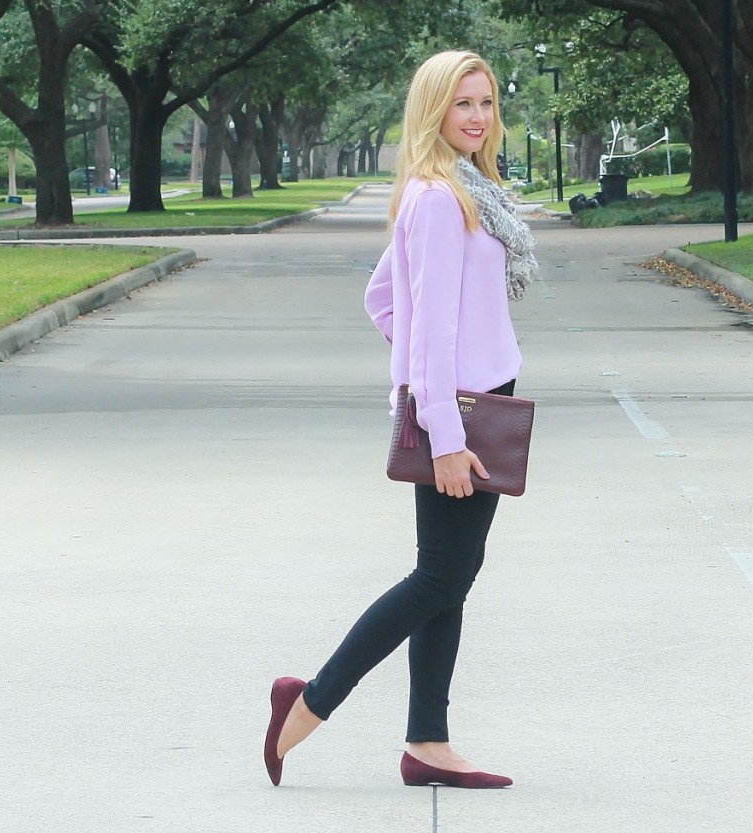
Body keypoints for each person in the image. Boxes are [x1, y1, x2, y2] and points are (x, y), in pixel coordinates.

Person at [262, 50, 538, 790]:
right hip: (463, 416)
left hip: (478, 399)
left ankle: (428, 741)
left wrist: (440, 361)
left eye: (485, 102)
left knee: (451, 576)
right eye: (462, 105)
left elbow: (385, 299)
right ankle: (308, 702)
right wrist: (443, 426)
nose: (477, 117)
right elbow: (429, 330)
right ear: (433, 111)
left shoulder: (466, 187)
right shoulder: (439, 200)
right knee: (439, 576)